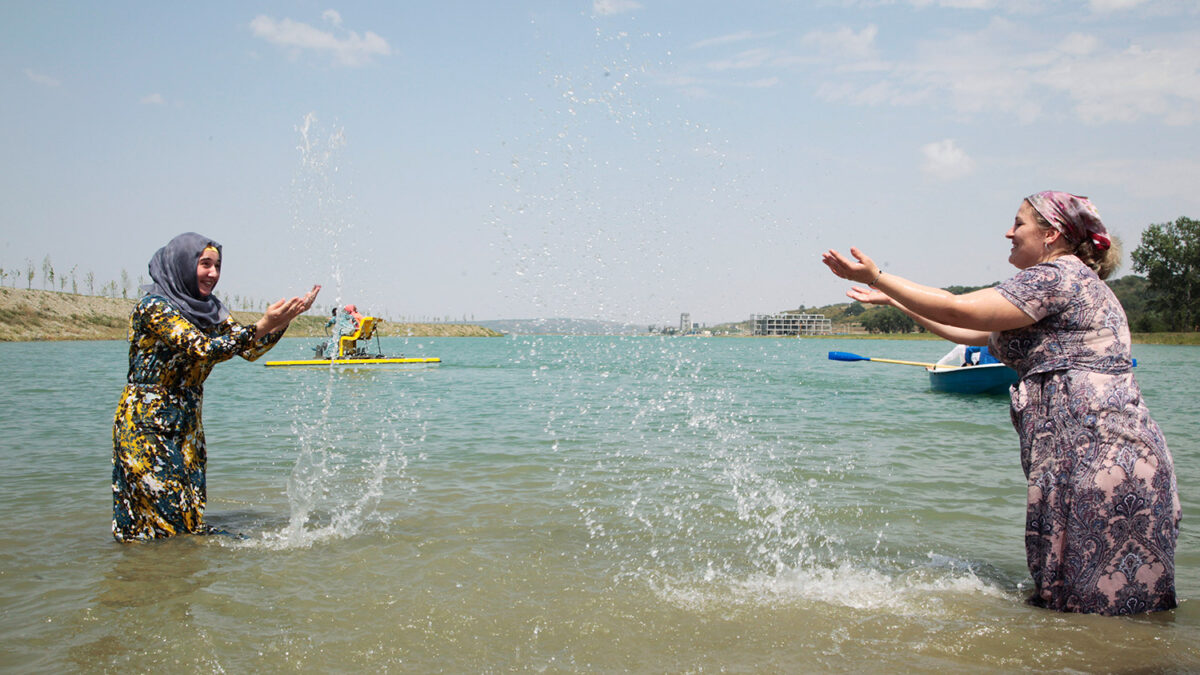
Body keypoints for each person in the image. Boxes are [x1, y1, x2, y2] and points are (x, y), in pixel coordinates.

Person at [821, 191, 1180, 615]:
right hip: (1109, 459)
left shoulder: (1055, 276)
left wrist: (879, 276)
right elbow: (964, 329)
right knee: (1106, 617)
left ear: (1051, 234)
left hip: (1098, 461)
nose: (1009, 233)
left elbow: (958, 307)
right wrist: (896, 300)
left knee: (1093, 612)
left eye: (1019, 223)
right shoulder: (1072, 284)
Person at [112, 232, 320, 542]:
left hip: (187, 422)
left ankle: (164, 576)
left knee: (189, 512)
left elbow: (249, 350)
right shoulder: (154, 307)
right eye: (205, 264)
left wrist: (282, 321)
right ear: (182, 264)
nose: (213, 273)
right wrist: (262, 324)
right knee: (162, 520)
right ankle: (152, 580)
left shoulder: (209, 309)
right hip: (147, 425)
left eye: (218, 265)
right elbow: (203, 348)